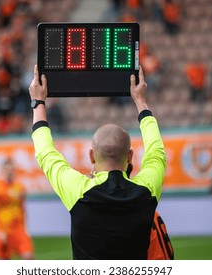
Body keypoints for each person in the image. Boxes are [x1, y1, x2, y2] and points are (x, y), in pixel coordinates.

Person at [29, 65, 166, 260]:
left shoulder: (80, 191)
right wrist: (141, 101)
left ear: (91, 156)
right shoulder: (147, 190)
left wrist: (38, 101)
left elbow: (45, 152)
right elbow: (156, 151)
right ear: (130, 156)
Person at [0, 158, 34, 260]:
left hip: (19, 229)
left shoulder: (19, 187)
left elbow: (22, 208)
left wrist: (25, 225)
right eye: (8, 170)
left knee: (28, 256)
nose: (10, 172)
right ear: (3, 171)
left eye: (12, 170)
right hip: (4, 229)